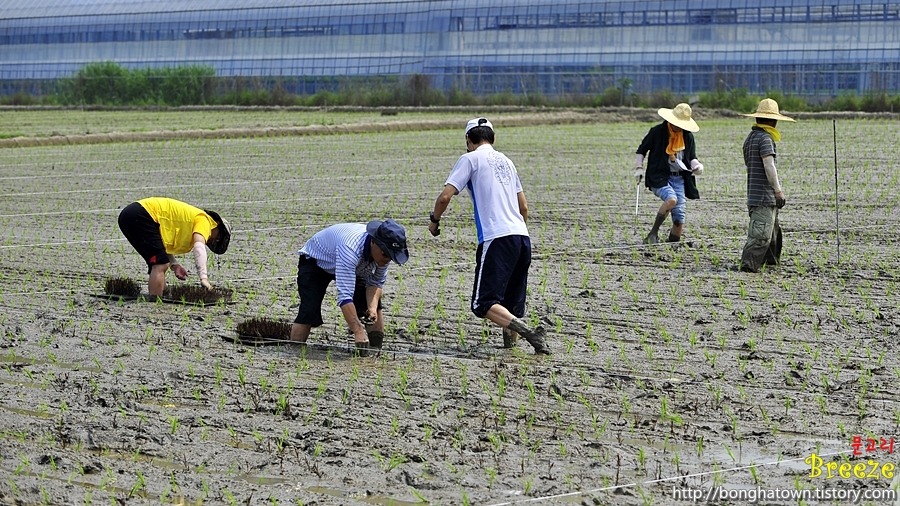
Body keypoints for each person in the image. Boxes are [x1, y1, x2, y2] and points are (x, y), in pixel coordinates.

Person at [428, 117, 550, 355]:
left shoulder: (469, 159)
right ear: (492, 138)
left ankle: (530, 334)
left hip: (497, 237)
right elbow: (524, 207)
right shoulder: (507, 161)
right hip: (522, 237)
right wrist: (516, 235)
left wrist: (434, 221)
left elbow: (445, 197)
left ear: (468, 139)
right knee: (510, 303)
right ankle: (511, 350)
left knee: (482, 303)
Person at [290, 220, 409, 353]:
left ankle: (376, 352)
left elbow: (375, 283)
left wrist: (372, 308)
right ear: (373, 242)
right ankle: (296, 351)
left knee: (371, 308)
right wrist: (358, 330)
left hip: (355, 265)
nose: (387, 259)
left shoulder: (382, 255)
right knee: (309, 309)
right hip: (316, 262)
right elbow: (345, 296)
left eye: (391, 257)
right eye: (385, 254)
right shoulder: (350, 248)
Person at [118, 197, 231, 296]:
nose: (215, 240)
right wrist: (204, 278)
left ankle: (155, 298)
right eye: (219, 236)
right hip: (142, 214)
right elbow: (199, 248)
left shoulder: (193, 220)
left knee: (159, 260)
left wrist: (175, 265)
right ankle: (155, 302)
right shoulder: (205, 221)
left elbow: (160, 245)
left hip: (131, 215)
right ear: (217, 224)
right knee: (160, 264)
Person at [634, 103, 704, 244]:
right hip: (659, 176)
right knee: (671, 199)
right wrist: (638, 167)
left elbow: (691, 157)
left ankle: (673, 245)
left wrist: (697, 166)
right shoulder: (657, 132)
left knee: (679, 220)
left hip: (679, 178)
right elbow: (642, 150)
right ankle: (652, 234)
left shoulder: (687, 136)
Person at [740, 98, 795, 272]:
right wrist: (778, 191)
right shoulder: (765, 139)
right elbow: (768, 165)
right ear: (772, 121)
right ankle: (748, 266)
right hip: (764, 196)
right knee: (761, 235)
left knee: (772, 233)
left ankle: (770, 265)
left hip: (756, 195)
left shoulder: (750, 138)